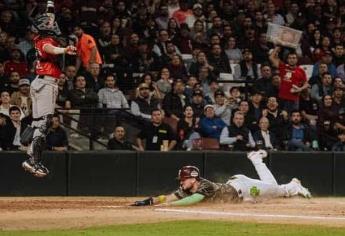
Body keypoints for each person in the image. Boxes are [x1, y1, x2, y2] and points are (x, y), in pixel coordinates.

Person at [131, 150, 311, 207]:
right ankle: (257, 160)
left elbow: (195, 199)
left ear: (193, 179)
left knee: (275, 190)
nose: (181, 181)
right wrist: (148, 202)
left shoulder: (204, 185)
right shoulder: (188, 188)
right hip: (240, 195)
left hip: (243, 187)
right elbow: (167, 196)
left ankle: (293, 186)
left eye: (184, 179)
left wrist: (169, 206)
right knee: (272, 188)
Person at [22, 5, 77, 178]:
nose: (54, 24)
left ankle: (30, 155)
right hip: (46, 83)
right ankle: (33, 161)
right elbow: (50, 50)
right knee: (45, 122)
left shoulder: (42, 36)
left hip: (41, 82)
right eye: (51, 23)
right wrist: (65, 49)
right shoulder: (46, 41)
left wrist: (50, 5)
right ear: (46, 26)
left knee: (39, 122)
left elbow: (49, 17)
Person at [269, 47, 309, 113]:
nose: (292, 60)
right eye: (290, 58)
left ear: (297, 59)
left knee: (292, 119)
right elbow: (271, 57)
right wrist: (278, 46)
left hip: (294, 100)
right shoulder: (283, 67)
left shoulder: (301, 71)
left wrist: (300, 89)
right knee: (281, 118)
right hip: (282, 98)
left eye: (294, 58)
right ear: (287, 60)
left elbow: (306, 84)